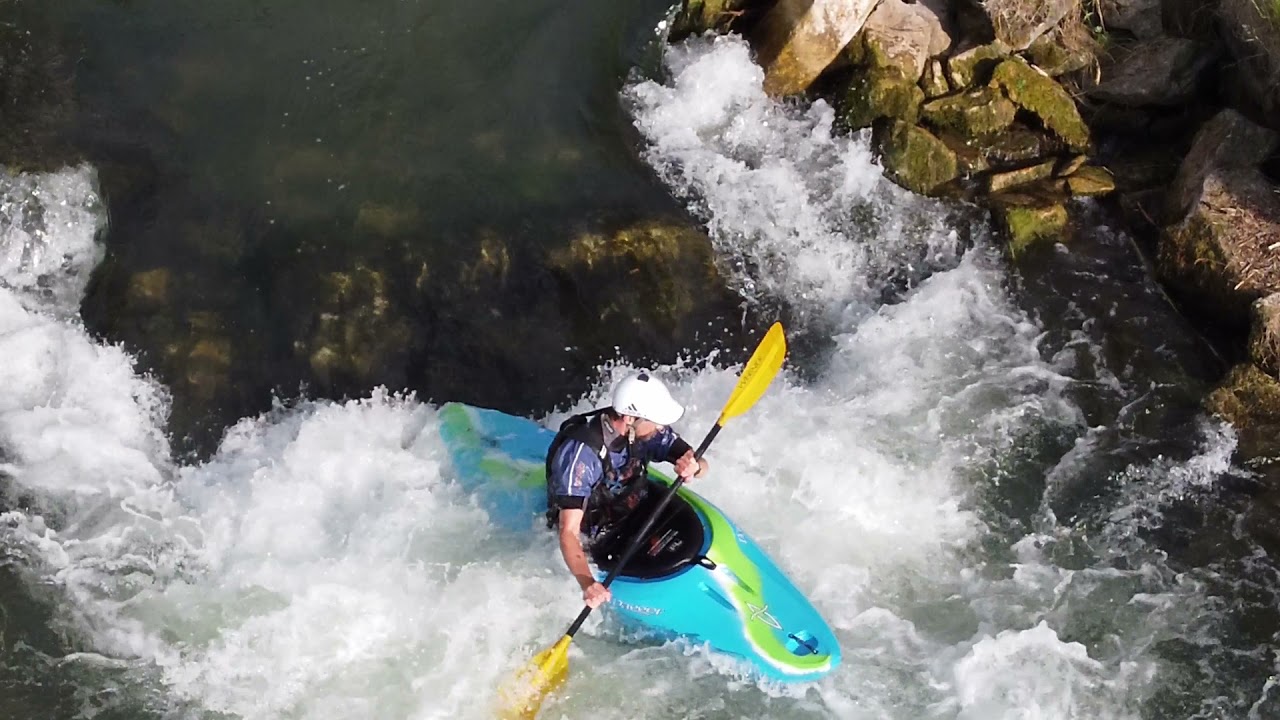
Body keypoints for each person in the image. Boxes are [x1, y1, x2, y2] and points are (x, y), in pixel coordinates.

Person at [544, 372, 708, 609]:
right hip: (599, 535)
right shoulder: (582, 456)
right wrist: (587, 582)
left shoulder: (647, 430)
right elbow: (568, 532)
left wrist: (695, 467)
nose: (661, 427)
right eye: (655, 420)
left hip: (635, 503)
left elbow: (698, 461)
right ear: (630, 418)